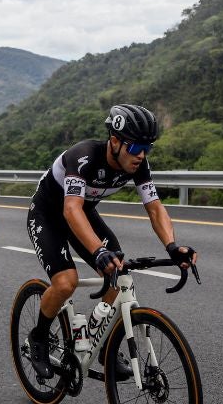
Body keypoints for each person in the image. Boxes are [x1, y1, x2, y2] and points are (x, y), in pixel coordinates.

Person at [24, 104, 198, 381]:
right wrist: (98, 249)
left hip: (84, 213)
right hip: (49, 214)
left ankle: (102, 341)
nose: (141, 155)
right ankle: (39, 338)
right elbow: (71, 209)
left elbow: (154, 207)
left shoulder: (138, 165)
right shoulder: (83, 157)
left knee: (118, 272)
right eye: (136, 147)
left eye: (147, 148)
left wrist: (172, 246)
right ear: (114, 142)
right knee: (66, 282)